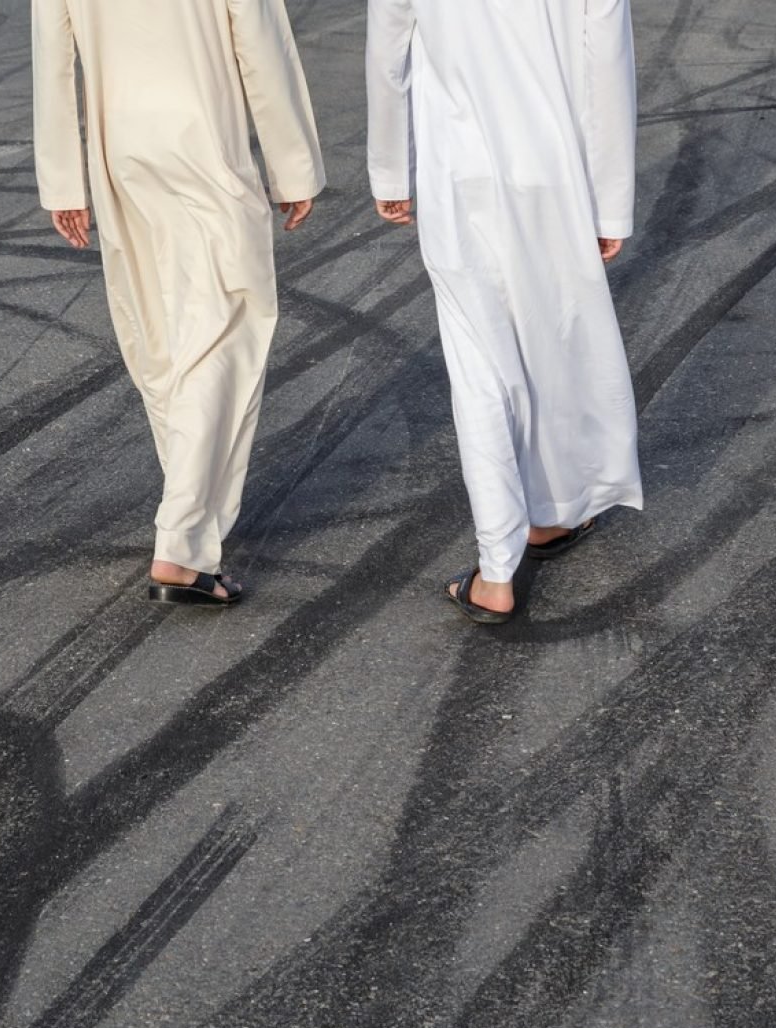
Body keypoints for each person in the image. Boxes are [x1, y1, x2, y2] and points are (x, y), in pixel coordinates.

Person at [33, 0, 325, 607]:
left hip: (120, 150)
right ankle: (183, 540)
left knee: (161, 337)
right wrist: (292, 166)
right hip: (203, 146)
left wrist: (63, 179)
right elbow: (262, 43)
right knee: (225, 329)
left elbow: (53, 55)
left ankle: (190, 517)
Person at [366, 0, 644, 624]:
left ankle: (501, 566)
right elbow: (606, 57)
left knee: (478, 363)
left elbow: (390, 45)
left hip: (456, 171)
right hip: (555, 166)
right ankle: (545, 517)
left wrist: (391, 169)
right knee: (554, 343)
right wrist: (611, 202)